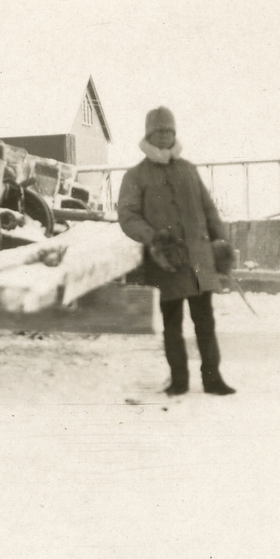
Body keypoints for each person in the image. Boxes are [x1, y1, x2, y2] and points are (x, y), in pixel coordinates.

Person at [117, 106, 236, 396]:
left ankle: (213, 380)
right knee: (173, 325)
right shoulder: (136, 175)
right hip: (166, 262)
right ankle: (179, 381)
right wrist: (155, 239)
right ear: (148, 135)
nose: (164, 136)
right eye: (158, 131)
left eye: (169, 131)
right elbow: (128, 216)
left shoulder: (188, 169)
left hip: (199, 260)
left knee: (205, 322)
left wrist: (221, 242)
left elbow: (209, 210)